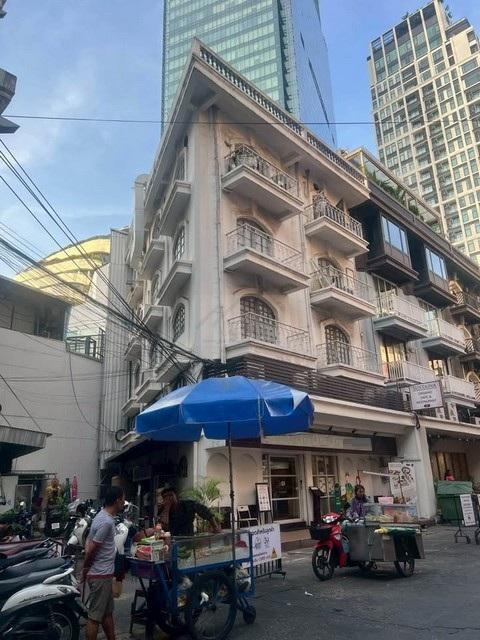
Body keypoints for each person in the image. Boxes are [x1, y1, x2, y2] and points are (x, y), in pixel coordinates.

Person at [83, 486, 125, 640]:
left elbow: (88, 541)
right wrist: (86, 568)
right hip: (100, 575)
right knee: (94, 618)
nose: (124, 502)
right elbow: (92, 548)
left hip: (104, 574)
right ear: (117, 501)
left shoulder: (101, 516)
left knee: (107, 614)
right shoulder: (106, 522)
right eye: (123, 499)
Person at [157, 486, 221, 536]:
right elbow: (163, 526)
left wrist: (215, 526)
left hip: (188, 538)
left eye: (171, 495)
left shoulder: (187, 505)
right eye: (165, 497)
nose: (169, 498)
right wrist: (166, 509)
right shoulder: (162, 509)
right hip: (172, 539)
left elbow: (205, 511)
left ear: (176, 496)